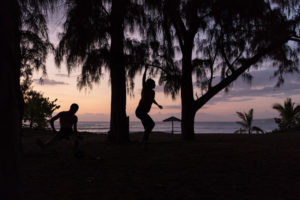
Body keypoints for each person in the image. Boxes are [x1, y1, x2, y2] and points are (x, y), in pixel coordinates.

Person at [136, 67, 163, 143]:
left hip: (143, 112)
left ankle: (144, 141)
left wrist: (158, 105)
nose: (155, 84)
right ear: (150, 84)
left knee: (147, 127)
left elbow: (152, 100)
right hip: (140, 111)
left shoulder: (152, 93)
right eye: (153, 83)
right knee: (151, 124)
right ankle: (143, 140)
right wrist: (145, 69)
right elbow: (143, 79)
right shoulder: (145, 89)